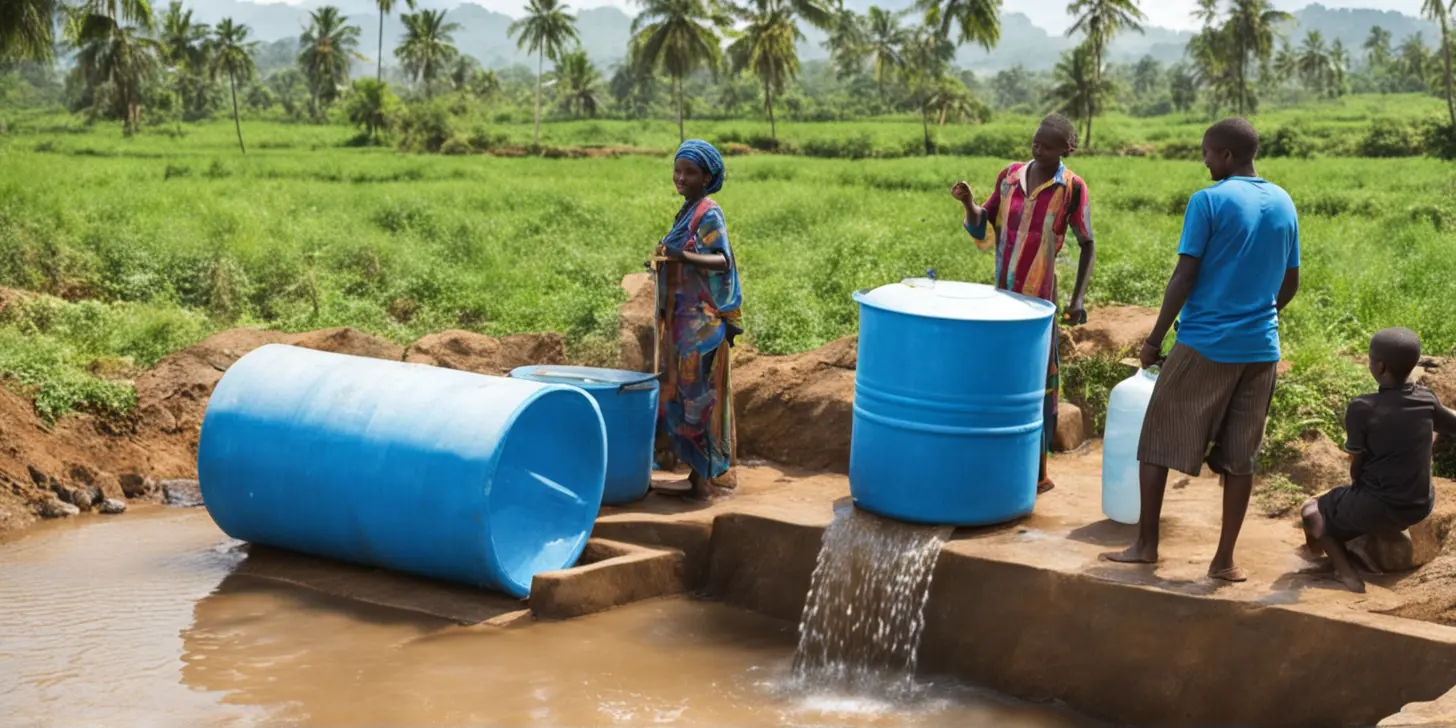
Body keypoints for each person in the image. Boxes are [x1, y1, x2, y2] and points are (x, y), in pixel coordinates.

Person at [1103, 118, 1301, 582]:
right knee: (1240, 457)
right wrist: (1259, 316)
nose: (1205, 160)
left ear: (1227, 155)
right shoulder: (1285, 201)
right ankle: (1224, 561)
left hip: (1206, 343)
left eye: (1208, 153)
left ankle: (1146, 546)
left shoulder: (1207, 201)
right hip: (1261, 350)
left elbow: (1184, 277)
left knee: (1155, 441)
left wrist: (1154, 341)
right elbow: (1289, 283)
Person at [951, 113, 1096, 494]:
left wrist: (1078, 297)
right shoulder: (1010, 176)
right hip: (1002, 297)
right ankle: (994, 461)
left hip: (1039, 304)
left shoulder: (1072, 188)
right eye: (1035, 142)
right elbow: (983, 223)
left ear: (1068, 148)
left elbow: (1087, 243)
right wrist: (967, 202)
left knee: (1037, 380)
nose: (1038, 149)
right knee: (999, 373)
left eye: (1047, 145)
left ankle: (1035, 471)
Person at [1301, 328, 1456, 593]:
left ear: (1380, 366)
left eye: (1370, 359)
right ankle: (1353, 549)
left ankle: (1347, 575)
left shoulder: (1362, 408)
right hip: (1420, 504)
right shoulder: (1426, 400)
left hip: (1380, 504)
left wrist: (1355, 483)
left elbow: (1357, 463)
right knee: (1354, 502)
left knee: (1312, 510)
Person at [652, 140, 743, 502]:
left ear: (708, 176)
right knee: (684, 394)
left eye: (690, 172)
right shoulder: (688, 209)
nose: (680, 178)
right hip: (684, 320)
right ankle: (695, 477)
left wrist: (682, 256)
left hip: (701, 324)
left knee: (698, 397)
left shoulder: (709, 212)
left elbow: (721, 260)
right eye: (678, 170)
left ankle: (702, 482)